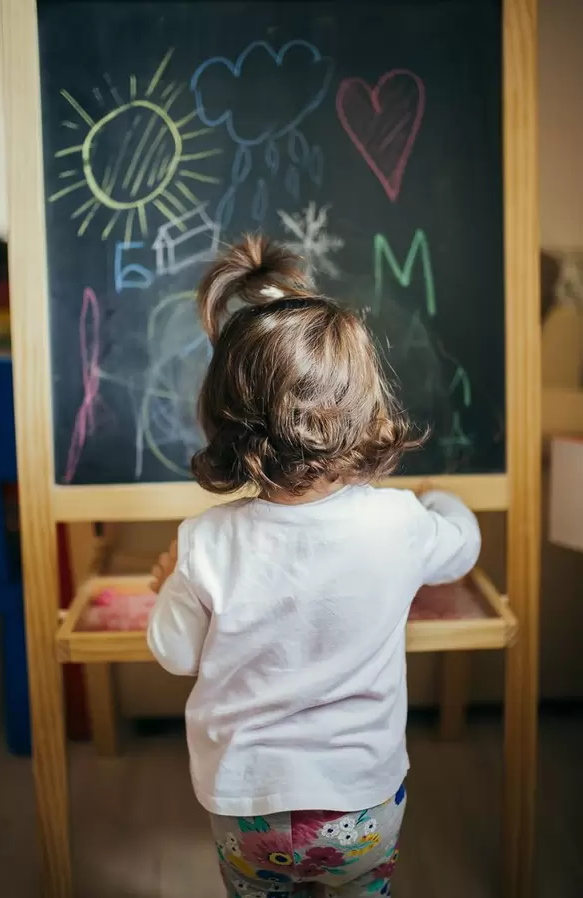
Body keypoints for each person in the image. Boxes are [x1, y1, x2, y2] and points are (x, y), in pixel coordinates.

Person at [147, 236, 481, 898]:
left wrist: (168, 591)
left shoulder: (206, 542)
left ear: (226, 417)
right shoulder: (399, 524)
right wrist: (439, 501)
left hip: (247, 804)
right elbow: (461, 550)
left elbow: (174, 652)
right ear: (361, 407)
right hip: (360, 801)